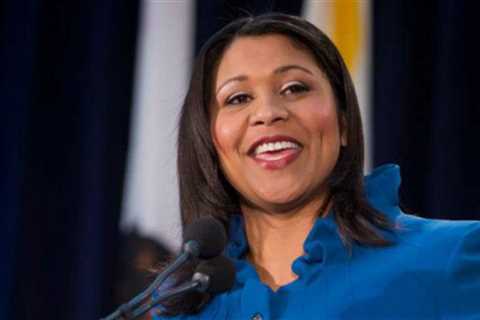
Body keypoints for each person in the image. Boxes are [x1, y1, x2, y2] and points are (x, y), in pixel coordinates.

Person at [153, 13, 480, 319]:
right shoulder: (181, 307)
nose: (268, 112)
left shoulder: (451, 258)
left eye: (295, 88)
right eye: (238, 98)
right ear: (208, 140)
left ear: (344, 122)